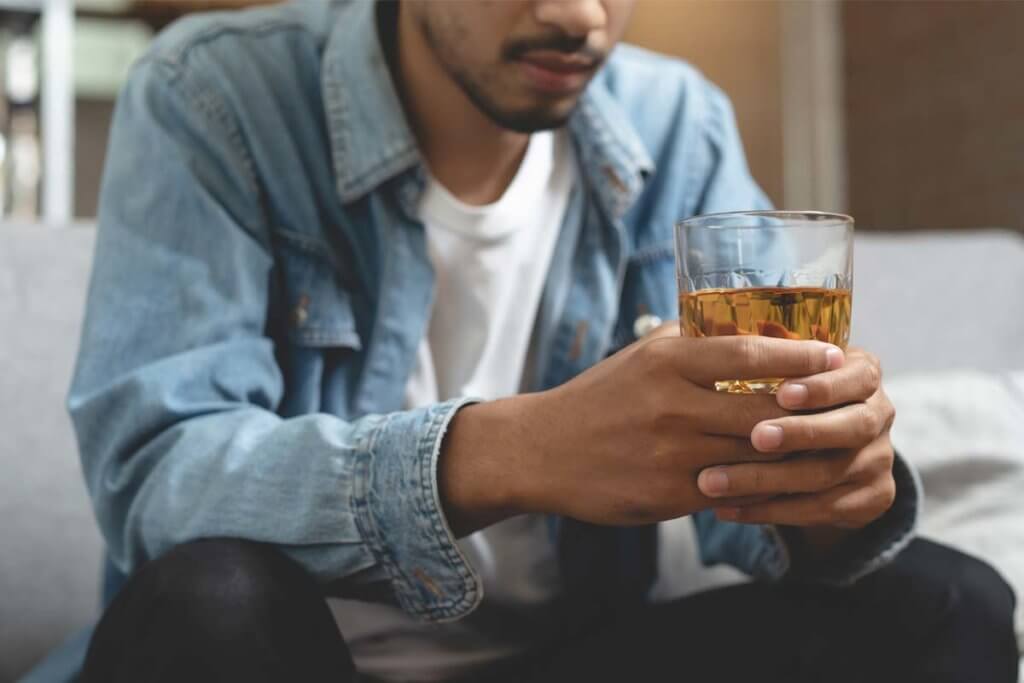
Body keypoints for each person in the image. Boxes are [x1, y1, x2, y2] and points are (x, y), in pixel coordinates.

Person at [63, 1, 1016, 681]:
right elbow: (157, 478)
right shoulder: (217, 95)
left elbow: (751, 488)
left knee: (948, 600)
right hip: (289, 653)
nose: (582, 15)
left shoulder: (676, 124)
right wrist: (514, 450)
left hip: (574, 654)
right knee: (212, 600)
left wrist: (828, 488)